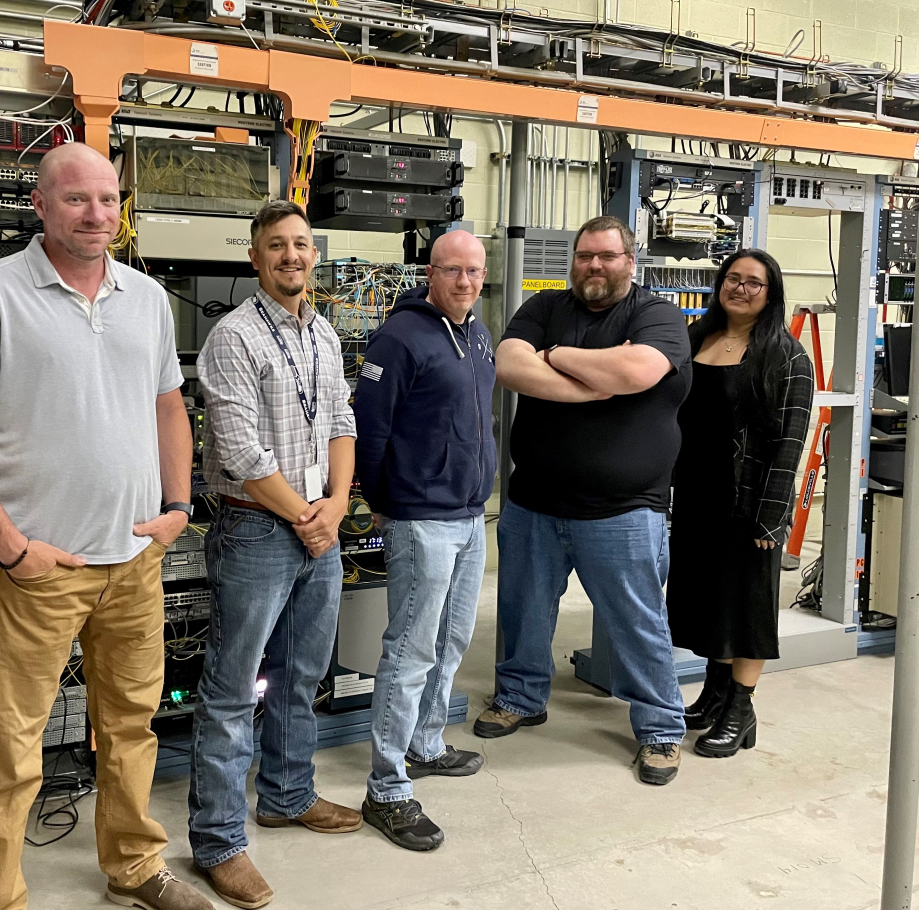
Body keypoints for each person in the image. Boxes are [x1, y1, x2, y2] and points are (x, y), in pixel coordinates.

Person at [0, 142, 212, 910]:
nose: (97, 214)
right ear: (40, 206)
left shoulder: (144, 298)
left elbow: (167, 406)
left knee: (130, 728)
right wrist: (11, 548)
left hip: (135, 562)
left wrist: (179, 506)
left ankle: (135, 865)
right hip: (36, 572)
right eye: (77, 199)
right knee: (11, 746)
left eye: (109, 199)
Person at [478, 215, 691, 786]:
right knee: (522, 612)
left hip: (623, 509)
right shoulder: (544, 307)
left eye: (606, 256)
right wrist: (599, 376)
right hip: (534, 503)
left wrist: (555, 357)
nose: (593, 265)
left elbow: (638, 368)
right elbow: (507, 364)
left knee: (638, 624)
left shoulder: (657, 316)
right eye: (584, 256)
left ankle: (662, 728)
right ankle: (521, 697)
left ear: (630, 260)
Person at [190, 199, 361, 909]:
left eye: (301, 244)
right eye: (276, 246)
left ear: (314, 255)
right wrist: (306, 516)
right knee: (233, 690)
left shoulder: (322, 333)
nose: (292, 255)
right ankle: (219, 840)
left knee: (302, 673)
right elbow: (239, 450)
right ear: (254, 258)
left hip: (317, 524)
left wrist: (339, 506)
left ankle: (287, 795)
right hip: (259, 529)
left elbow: (345, 420)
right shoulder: (233, 337)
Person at [352, 229, 497, 851]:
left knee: (453, 636)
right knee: (410, 650)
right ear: (430, 272)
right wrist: (386, 502)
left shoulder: (479, 333)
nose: (463, 281)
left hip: (469, 515)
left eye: (472, 272)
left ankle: (426, 742)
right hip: (420, 518)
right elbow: (369, 431)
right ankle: (386, 787)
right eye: (451, 270)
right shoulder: (400, 337)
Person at [667, 249, 814, 758]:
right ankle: (714, 693)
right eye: (733, 278)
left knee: (748, 608)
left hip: (750, 503)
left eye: (754, 282)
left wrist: (772, 517)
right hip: (695, 496)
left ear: (770, 294)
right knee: (710, 602)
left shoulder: (787, 357)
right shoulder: (694, 340)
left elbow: (789, 444)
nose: (741, 288)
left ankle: (741, 708)